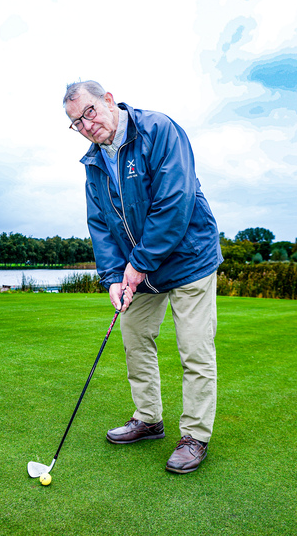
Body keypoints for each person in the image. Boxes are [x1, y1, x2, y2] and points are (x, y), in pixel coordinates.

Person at [62, 80, 223, 474]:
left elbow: (175, 201)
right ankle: (148, 419)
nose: (86, 125)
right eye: (75, 123)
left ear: (109, 101)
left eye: (89, 112)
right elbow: (100, 225)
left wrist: (138, 263)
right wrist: (114, 277)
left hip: (189, 259)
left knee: (195, 351)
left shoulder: (158, 130)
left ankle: (195, 437)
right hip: (139, 269)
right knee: (135, 340)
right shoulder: (93, 163)